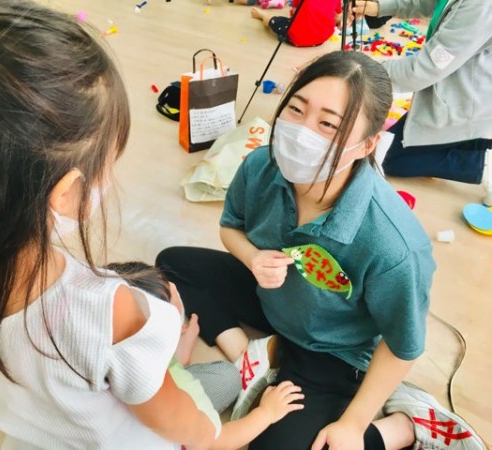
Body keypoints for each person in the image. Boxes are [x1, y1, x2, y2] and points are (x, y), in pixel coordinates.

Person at [0, 3, 301, 449]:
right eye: (107, 161)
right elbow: (194, 433)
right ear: (67, 191)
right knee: (223, 379)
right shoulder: (109, 311)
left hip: (38, 438)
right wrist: (165, 348)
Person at [157, 51, 486, 450]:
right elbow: (231, 227)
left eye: (328, 124)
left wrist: (355, 423)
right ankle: (248, 353)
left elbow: (402, 346)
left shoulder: (394, 244)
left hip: (333, 350)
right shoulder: (262, 165)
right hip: (274, 300)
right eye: (296, 109)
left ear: (367, 145)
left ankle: (403, 426)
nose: (301, 131)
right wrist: (252, 258)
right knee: (171, 265)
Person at [107, 262, 306, 449]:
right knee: (227, 377)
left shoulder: (107, 347)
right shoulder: (172, 389)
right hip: (161, 438)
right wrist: (266, 413)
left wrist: (177, 356)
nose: (175, 289)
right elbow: (216, 442)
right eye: (172, 296)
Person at [354, 0, 492, 184]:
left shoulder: (481, 5)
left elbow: (427, 67)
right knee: (383, 150)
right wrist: (379, 7)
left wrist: (360, 73)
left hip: (465, 101)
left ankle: (481, 164)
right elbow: (429, 2)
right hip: (452, 89)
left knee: (383, 156)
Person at [249, 0, 343, 47]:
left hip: (298, 39)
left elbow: (294, 13)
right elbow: (337, 16)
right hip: (323, 38)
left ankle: (264, 16)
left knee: (277, 21)